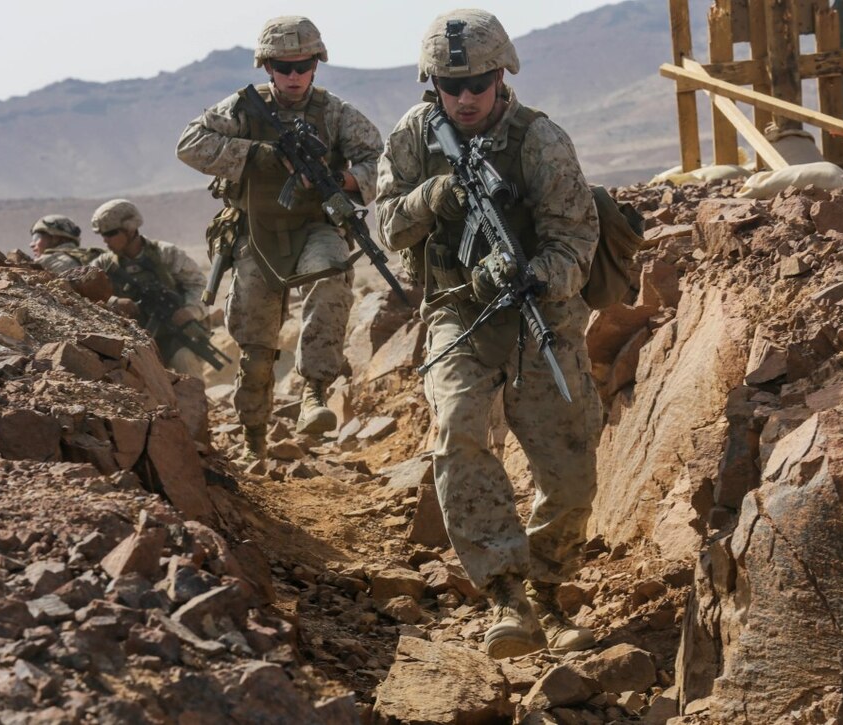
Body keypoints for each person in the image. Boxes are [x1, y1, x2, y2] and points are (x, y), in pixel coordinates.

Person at [375, 9, 602, 659]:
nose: (467, 96)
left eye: (480, 81)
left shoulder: (540, 141)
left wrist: (534, 276)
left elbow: (576, 238)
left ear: (502, 76)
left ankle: (548, 590)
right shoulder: (415, 138)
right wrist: (436, 197)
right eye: (452, 84)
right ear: (432, 85)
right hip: (456, 311)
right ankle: (504, 590)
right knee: (457, 426)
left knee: (570, 466)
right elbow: (388, 224)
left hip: (539, 312)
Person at [175, 16, 383, 462]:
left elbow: (378, 162)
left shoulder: (335, 113)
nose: (294, 76)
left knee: (332, 276)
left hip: (316, 226)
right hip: (257, 231)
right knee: (256, 342)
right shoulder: (244, 108)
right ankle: (254, 435)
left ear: (316, 65)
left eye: (303, 65)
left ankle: (314, 392)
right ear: (267, 67)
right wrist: (257, 155)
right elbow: (190, 144)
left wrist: (341, 179)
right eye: (283, 67)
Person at [88, 199, 208, 379]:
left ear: (130, 229)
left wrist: (191, 310)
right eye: (102, 235)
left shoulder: (166, 254)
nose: (105, 240)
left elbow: (198, 284)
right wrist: (113, 302)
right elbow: (83, 293)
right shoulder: (103, 264)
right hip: (128, 340)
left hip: (171, 336)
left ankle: (195, 405)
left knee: (186, 360)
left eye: (111, 233)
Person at [29, 215, 99, 273]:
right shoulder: (91, 258)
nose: (31, 244)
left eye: (37, 237)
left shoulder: (47, 261)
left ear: (56, 238)